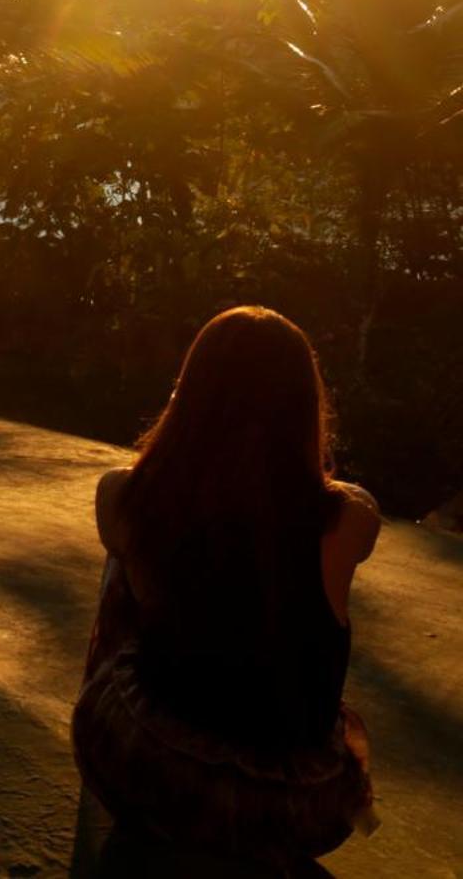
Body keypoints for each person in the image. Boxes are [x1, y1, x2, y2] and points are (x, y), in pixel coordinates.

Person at [73, 306, 383, 864]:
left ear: (190, 395)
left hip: (153, 773)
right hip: (293, 807)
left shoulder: (122, 496)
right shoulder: (350, 517)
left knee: (124, 565)